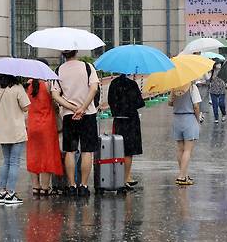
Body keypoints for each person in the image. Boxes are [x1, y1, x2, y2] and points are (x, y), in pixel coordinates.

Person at [51, 50, 100, 197]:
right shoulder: (88, 67)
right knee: (87, 151)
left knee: (70, 151)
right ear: (76, 52)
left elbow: (55, 95)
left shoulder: (59, 70)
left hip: (68, 116)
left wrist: (72, 108)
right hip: (88, 114)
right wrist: (83, 108)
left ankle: (71, 185)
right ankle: (84, 185)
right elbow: (94, 88)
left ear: (63, 53)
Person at [26, 60, 63, 196]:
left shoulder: (28, 85)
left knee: (34, 154)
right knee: (47, 155)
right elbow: (54, 103)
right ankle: (45, 187)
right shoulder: (48, 85)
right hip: (47, 125)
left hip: (32, 125)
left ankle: (35, 186)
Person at [0, 74, 31, 205]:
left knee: (6, 161)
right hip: (16, 129)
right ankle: (11, 193)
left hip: (2, 130)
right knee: (15, 162)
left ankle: (1, 191)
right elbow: (26, 106)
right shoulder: (17, 88)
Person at [107, 74, 145, 189]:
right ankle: (126, 177)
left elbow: (110, 101)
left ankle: (118, 176)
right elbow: (139, 103)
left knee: (119, 148)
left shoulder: (113, 84)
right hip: (131, 120)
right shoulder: (132, 84)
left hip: (118, 120)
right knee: (129, 150)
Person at [168, 82, 201, 186]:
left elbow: (170, 103)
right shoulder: (192, 87)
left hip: (177, 119)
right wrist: (197, 119)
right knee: (187, 150)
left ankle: (184, 174)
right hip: (189, 118)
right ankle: (182, 176)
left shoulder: (174, 87)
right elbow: (196, 106)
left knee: (180, 149)